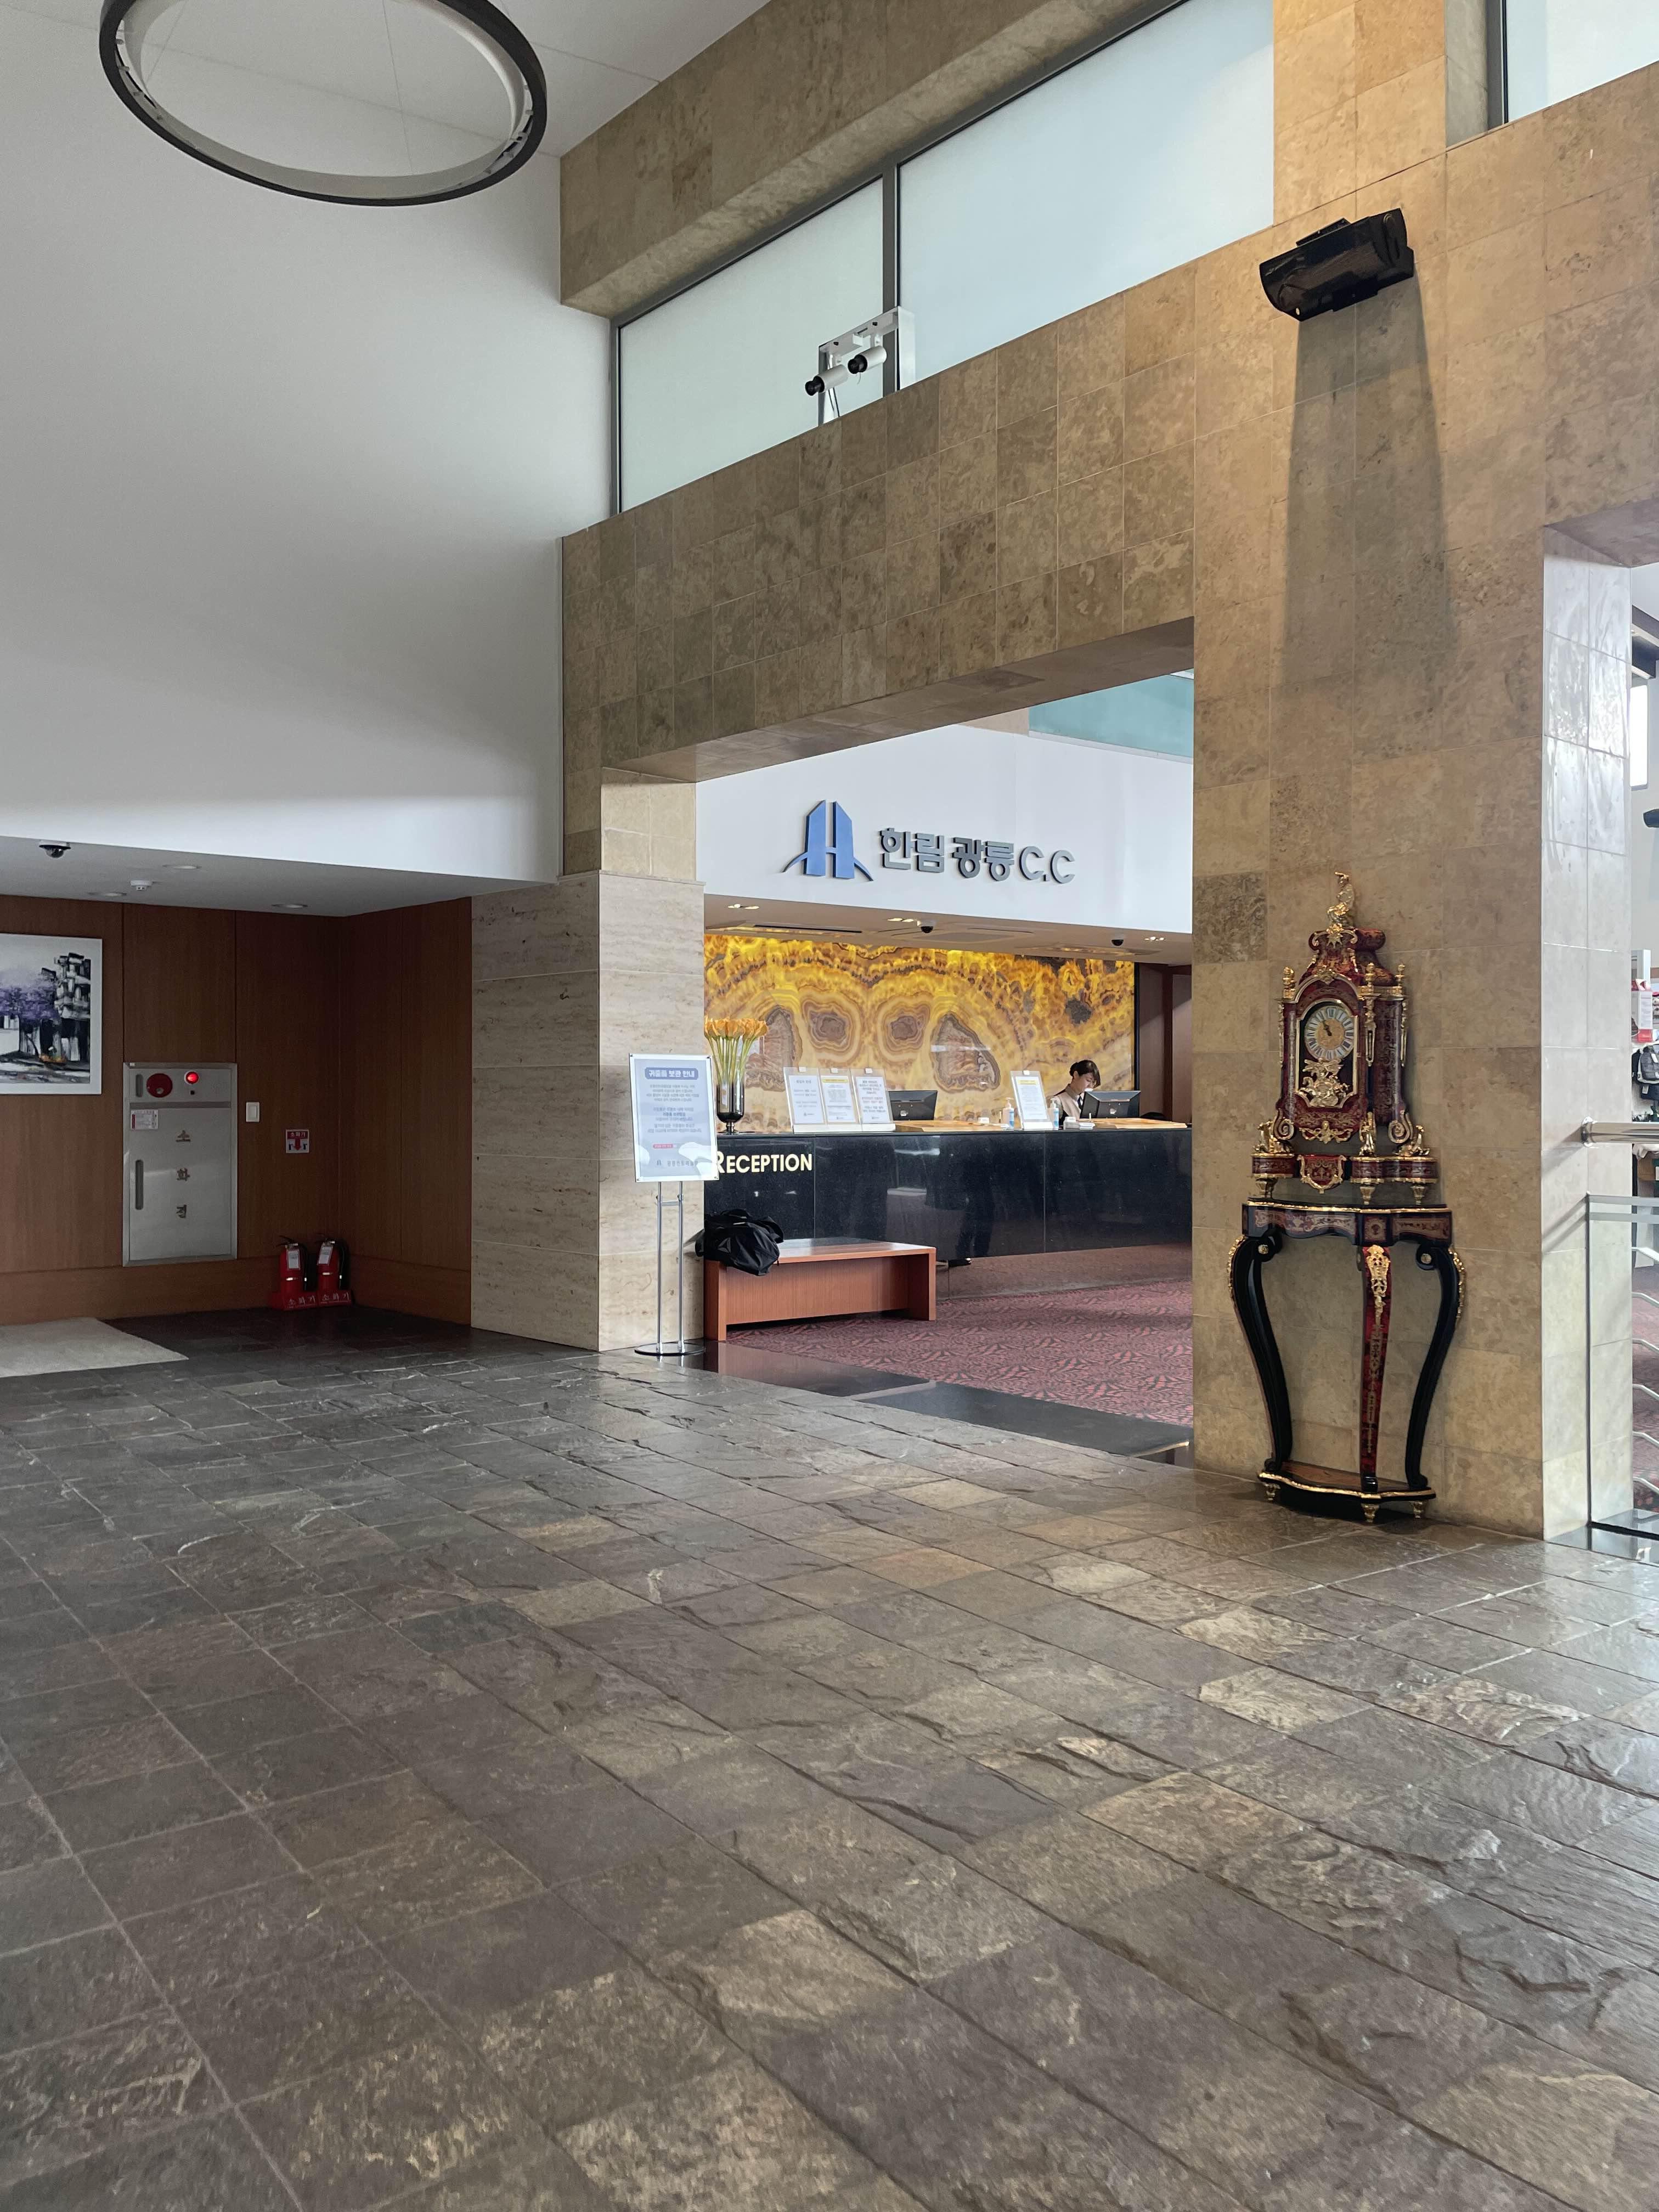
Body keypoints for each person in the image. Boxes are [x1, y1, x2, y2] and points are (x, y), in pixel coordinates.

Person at [1050, 1059, 1101, 1124]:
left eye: (1093, 1082)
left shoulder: (1090, 1100)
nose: (1090, 1085)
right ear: (1076, 1075)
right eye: (1088, 1080)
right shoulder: (1058, 1101)